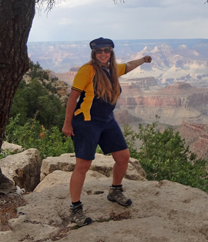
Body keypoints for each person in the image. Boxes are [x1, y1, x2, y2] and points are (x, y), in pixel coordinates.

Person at [62, 37, 152, 227]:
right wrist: (67, 123)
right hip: (87, 122)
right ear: (94, 54)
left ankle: (115, 190)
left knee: (123, 157)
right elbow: (73, 97)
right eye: (99, 51)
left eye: (107, 50)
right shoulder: (87, 70)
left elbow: (128, 66)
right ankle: (75, 209)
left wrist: (143, 59)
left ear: (111, 52)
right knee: (83, 165)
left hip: (107, 121)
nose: (103, 54)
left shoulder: (112, 69)